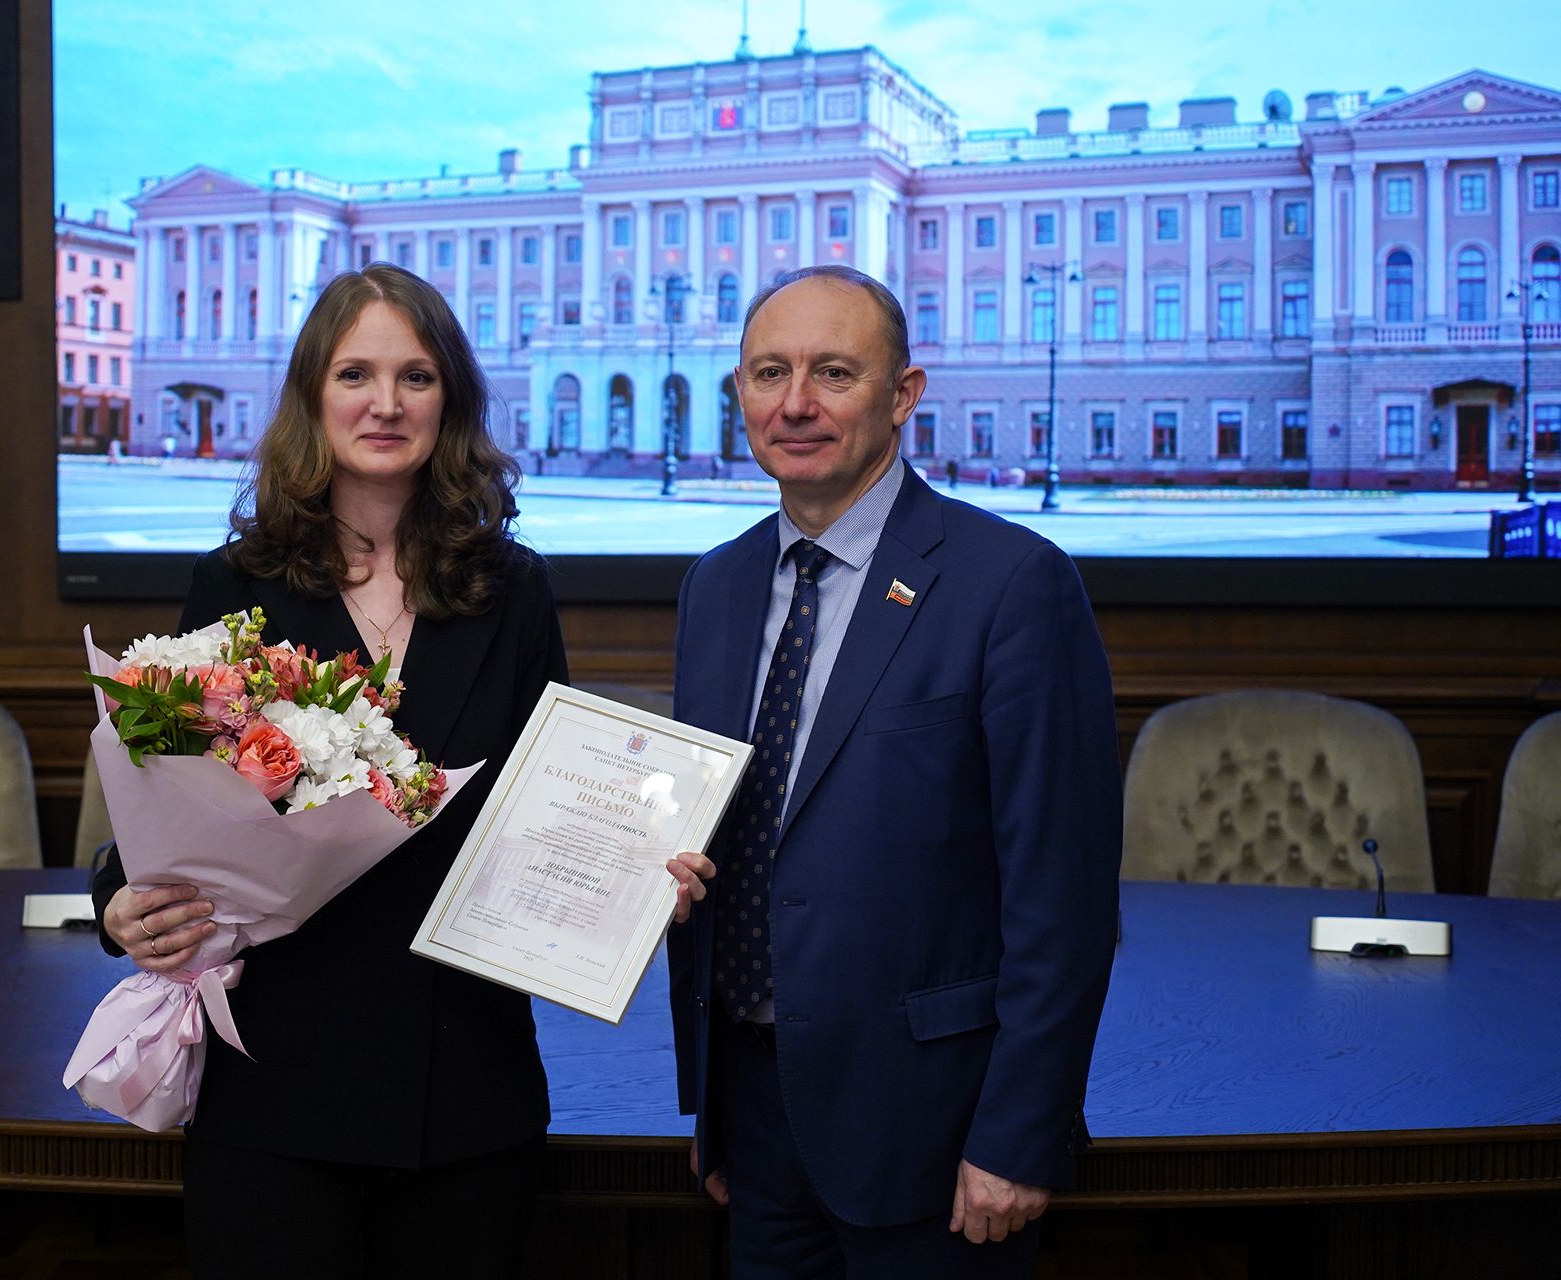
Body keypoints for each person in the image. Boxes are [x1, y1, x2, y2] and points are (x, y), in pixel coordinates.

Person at [92, 262, 711, 1278]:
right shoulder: (233, 581)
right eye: (356, 374)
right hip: (275, 1078)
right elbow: (168, 799)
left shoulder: (513, 589)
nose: (386, 402)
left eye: (416, 376)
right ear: (313, 396)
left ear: (450, 401)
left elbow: (551, 801)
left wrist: (642, 869)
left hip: (466, 1084)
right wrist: (118, 903)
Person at [667, 265, 1121, 1278]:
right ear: (738, 391)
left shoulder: (1012, 582)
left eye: (834, 371)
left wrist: (1018, 1133)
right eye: (769, 371)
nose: (796, 403)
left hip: (938, 1137)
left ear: (904, 395)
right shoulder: (718, 584)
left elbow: (1065, 897)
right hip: (755, 1121)